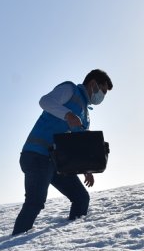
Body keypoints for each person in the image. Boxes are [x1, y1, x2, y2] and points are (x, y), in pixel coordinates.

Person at [12, 69, 113, 235]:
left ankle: (71, 241)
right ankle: (13, 246)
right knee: (35, 202)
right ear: (93, 83)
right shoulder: (70, 90)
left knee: (81, 198)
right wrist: (67, 115)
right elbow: (45, 101)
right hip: (37, 156)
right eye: (102, 90)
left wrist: (86, 169)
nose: (102, 96)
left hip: (56, 163)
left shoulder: (85, 115)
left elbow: (78, 145)